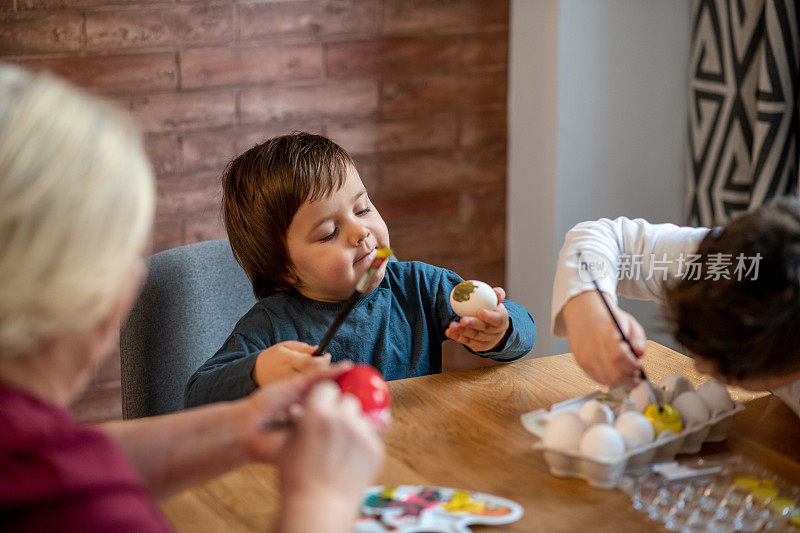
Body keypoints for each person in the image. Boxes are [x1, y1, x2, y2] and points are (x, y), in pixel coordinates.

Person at [0, 64, 383, 532]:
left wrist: (240, 427)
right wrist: (321, 496)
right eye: (120, 254)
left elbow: (58, 459)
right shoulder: (87, 517)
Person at [185, 133, 536, 407]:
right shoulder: (273, 326)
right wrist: (260, 371)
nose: (360, 233)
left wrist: (500, 330)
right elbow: (198, 395)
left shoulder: (418, 287)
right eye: (329, 233)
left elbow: (524, 330)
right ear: (286, 271)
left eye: (363, 209)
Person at [551, 198, 800, 417]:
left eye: (732, 369)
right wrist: (590, 310)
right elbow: (604, 238)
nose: (698, 369)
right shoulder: (741, 261)